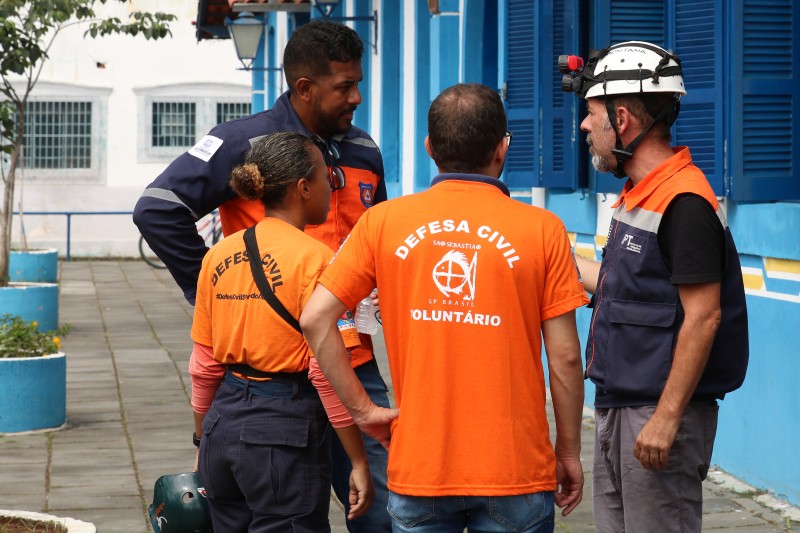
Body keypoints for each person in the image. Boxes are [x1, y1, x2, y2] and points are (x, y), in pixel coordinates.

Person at [133, 20, 392, 532]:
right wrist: (214, 293)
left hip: (350, 361)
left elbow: (376, 243)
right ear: (304, 88)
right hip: (270, 377)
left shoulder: (363, 149)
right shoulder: (243, 141)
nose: (357, 97)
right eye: (344, 86)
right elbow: (157, 209)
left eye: (358, 83)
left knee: (385, 511)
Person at [300, 83, 589, 533]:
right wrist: (567, 451)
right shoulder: (544, 230)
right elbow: (567, 358)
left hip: (420, 468)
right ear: (503, 149)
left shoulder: (382, 223)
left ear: (429, 148)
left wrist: (363, 411)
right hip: (514, 469)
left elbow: (315, 317)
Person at [561, 41, 749, 532]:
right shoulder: (639, 196)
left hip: (656, 414)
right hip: (619, 404)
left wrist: (666, 419)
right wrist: (555, 251)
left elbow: (704, 316)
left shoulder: (684, 204)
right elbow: (625, 290)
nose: (584, 126)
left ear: (621, 118)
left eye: (591, 112)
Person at [189, 132, 373, 532]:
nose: (332, 186)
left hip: (223, 422)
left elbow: (204, 364)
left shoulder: (218, 255)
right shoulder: (318, 260)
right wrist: (358, 461)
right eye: (327, 178)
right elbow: (326, 373)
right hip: (283, 432)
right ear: (303, 188)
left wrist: (203, 439)